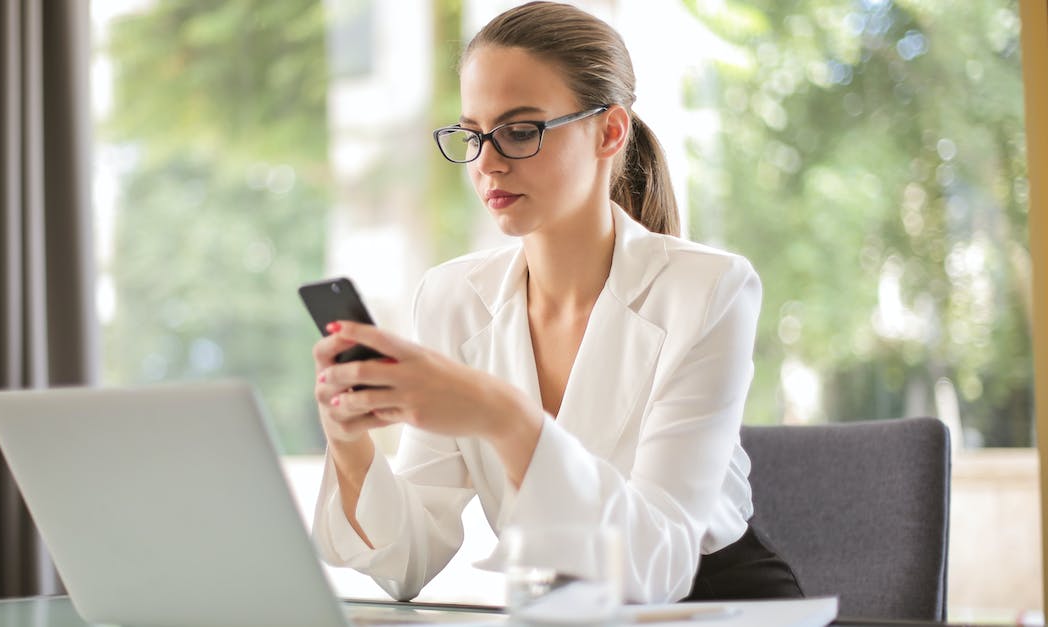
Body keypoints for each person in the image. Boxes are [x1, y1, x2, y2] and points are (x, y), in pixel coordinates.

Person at [309, 1, 803, 604]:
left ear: (609, 131)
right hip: (564, 611)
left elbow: (660, 567)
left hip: (716, 604)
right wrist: (349, 439)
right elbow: (408, 562)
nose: (487, 162)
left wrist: (504, 416)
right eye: (472, 134)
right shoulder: (452, 298)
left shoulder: (709, 289)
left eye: (520, 131)